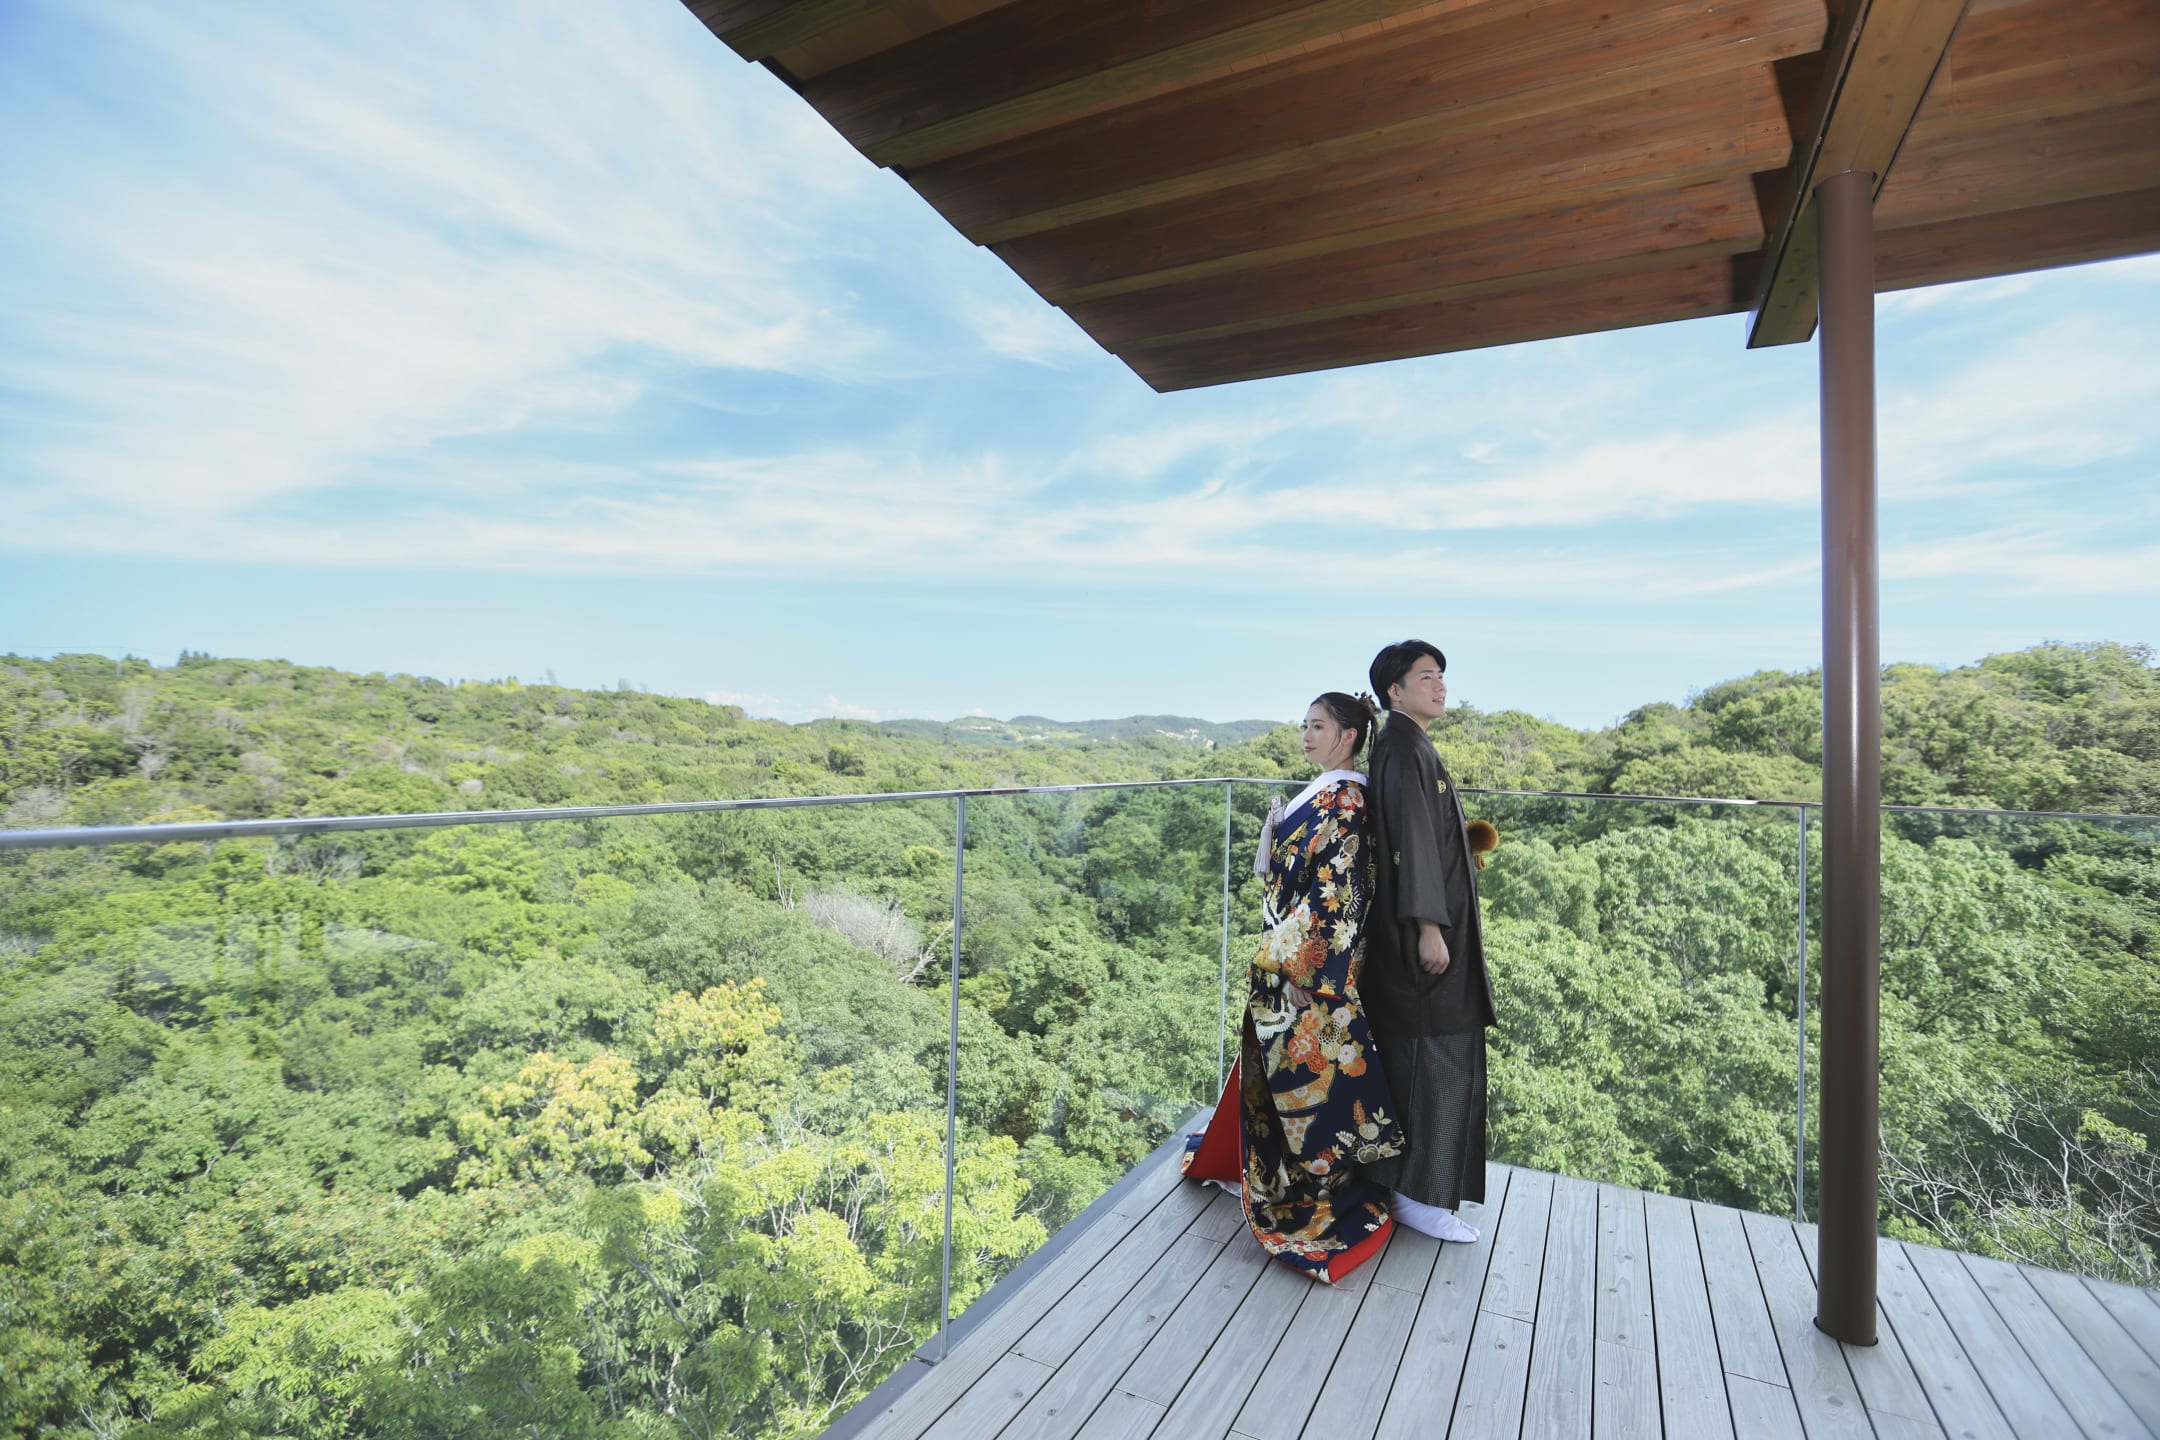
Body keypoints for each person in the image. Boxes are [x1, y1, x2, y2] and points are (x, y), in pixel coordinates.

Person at [1183, 692, 1406, 1283]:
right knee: (1280, 1072)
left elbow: (1340, 891)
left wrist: (1301, 967)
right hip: (1286, 952)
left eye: (1318, 726)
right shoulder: (1324, 792)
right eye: (1305, 725)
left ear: (1349, 736)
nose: (1306, 735)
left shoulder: (1348, 800)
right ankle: (1267, 1172)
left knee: (1307, 1081)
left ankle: (1307, 1191)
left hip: (1307, 967)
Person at [1359, 641, 1497, 1242]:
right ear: (1395, 690)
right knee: (1431, 1060)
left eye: (1441, 676)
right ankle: (1415, 1194)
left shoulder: (1406, 743)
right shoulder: (1401, 746)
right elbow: (1410, 842)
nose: (1440, 686)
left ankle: (1414, 1189)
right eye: (1426, 677)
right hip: (1423, 939)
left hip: (1431, 928)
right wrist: (1429, 928)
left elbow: (1426, 833)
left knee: (1433, 1056)